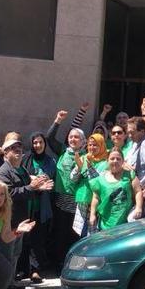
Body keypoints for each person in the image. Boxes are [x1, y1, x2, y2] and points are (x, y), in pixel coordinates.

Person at [0, 135, 52, 289]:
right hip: (9, 221)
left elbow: (28, 188)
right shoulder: (3, 172)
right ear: (5, 153)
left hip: (20, 221)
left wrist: (38, 187)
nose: (18, 150)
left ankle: (10, 283)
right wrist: (31, 187)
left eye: (19, 147)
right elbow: (8, 194)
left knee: (15, 254)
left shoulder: (21, 169)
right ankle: (3, 288)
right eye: (13, 148)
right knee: (7, 255)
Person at [45, 110, 87, 269]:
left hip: (78, 201)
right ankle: (58, 263)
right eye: (71, 137)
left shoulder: (87, 155)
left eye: (77, 137)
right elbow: (49, 138)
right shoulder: (63, 150)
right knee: (59, 233)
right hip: (60, 199)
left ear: (83, 140)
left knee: (74, 234)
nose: (73, 139)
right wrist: (57, 121)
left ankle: (72, 264)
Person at [18, 132, 56, 283]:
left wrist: (45, 181)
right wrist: (33, 181)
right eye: (35, 143)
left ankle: (35, 270)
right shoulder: (25, 159)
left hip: (42, 205)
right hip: (26, 205)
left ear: (45, 144)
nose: (38, 145)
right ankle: (22, 269)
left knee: (37, 239)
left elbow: (53, 179)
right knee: (23, 238)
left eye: (41, 142)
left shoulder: (50, 161)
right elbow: (20, 178)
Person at [88, 150, 144, 231]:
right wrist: (92, 214)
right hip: (105, 223)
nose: (115, 161)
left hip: (126, 223)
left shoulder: (129, 174)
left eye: (118, 159)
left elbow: (138, 191)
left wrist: (139, 207)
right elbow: (96, 197)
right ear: (107, 160)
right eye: (112, 158)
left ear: (123, 161)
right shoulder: (100, 179)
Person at [70, 133, 110, 237]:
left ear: (101, 146)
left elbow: (99, 183)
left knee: (93, 235)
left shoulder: (106, 163)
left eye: (95, 145)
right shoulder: (84, 158)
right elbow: (73, 179)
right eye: (90, 145)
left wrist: (88, 167)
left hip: (96, 204)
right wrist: (78, 168)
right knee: (81, 233)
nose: (92, 147)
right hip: (83, 201)